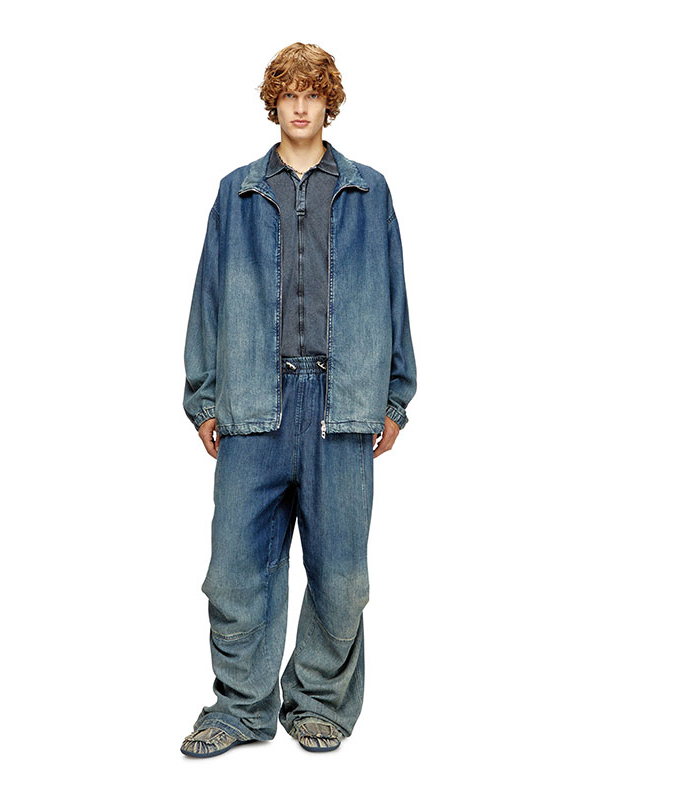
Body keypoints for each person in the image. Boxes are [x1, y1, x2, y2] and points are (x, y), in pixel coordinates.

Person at [180, 42, 417, 757]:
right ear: (274, 103)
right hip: (253, 398)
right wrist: (204, 397)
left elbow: (395, 295)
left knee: (342, 577)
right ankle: (239, 709)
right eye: (290, 94)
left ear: (329, 103)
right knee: (235, 570)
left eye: (314, 93)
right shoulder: (238, 193)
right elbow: (208, 297)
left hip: (343, 405)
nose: (302, 106)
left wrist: (394, 397)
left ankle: (317, 701)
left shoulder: (370, 192)